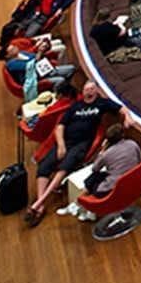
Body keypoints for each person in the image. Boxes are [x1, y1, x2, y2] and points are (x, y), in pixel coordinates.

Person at [25, 77, 119, 226]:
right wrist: (61, 145)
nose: (89, 90)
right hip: (65, 141)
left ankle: (39, 203)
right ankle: (40, 203)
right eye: (86, 88)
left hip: (81, 144)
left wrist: (127, 116)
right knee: (44, 167)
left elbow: (120, 107)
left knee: (64, 167)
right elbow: (60, 127)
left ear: (97, 91)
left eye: (92, 88)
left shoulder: (101, 104)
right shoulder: (75, 107)